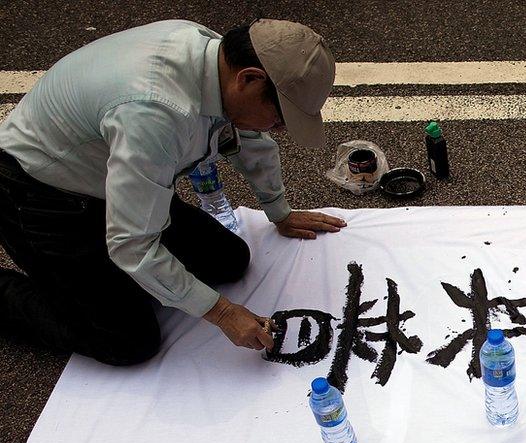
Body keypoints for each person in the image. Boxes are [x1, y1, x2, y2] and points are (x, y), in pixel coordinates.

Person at [0, 19, 345, 365]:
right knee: (128, 340)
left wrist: (278, 210)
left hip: (111, 176)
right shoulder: (157, 114)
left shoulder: (216, 58)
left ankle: (109, 279)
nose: (280, 130)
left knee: (229, 261)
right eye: (280, 117)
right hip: (37, 194)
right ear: (250, 79)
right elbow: (131, 245)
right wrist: (222, 313)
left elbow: (250, 139)